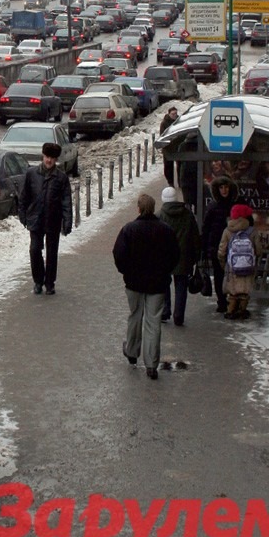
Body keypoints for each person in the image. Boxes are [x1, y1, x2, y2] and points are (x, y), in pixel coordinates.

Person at [112, 192, 180, 380]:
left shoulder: (129, 229)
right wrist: (165, 271)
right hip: (157, 284)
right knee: (153, 322)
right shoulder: (165, 230)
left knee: (135, 316)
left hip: (134, 283)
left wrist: (126, 272)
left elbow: (119, 254)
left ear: (139, 209)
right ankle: (151, 364)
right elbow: (175, 254)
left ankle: (132, 352)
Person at [18, 142, 72, 295]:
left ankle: (50, 283)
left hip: (53, 220)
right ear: (43, 156)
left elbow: (66, 201)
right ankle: (38, 281)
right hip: (35, 218)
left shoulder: (61, 178)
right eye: (47, 157)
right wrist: (23, 214)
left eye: (52, 158)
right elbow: (24, 196)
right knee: (34, 250)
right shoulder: (31, 174)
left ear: (56, 160)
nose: (49, 160)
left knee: (52, 253)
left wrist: (67, 221)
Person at [158, 186, 201, 326]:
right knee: (181, 285)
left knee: (164, 283)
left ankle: (165, 311)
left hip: (164, 257)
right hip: (184, 256)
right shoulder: (188, 215)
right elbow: (195, 236)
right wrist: (196, 256)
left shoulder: (159, 215)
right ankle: (179, 315)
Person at [218, 204, 263, 320]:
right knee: (244, 291)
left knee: (233, 292)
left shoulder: (227, 230)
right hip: (248, 266)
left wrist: (224, 264)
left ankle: (230, 310)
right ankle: (242, 310)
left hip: (232, 266)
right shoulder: (252, 231)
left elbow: (222, 251)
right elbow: (258, 250)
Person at [202, 175, 238, 314]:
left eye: (226, 187)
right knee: (219, 274)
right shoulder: (213, 206)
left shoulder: (236, 205)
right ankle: (222, 301)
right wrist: (205, 247)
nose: (224, 190)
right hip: (217, 246)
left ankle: (232, 300)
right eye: (221, 187)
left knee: (233, 274)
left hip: (234, 246)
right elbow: (206, 228)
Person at [158, 106, 179, 186]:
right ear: (169, 114)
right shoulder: (164, 123)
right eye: (173, 114)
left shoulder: (178, 121)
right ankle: (170, 182)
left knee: (180, 165)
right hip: (168, 147)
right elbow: (162, 135)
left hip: (177, 147)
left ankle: (180, 182)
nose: (174, 115)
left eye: (175, 113)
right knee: (168, 166)